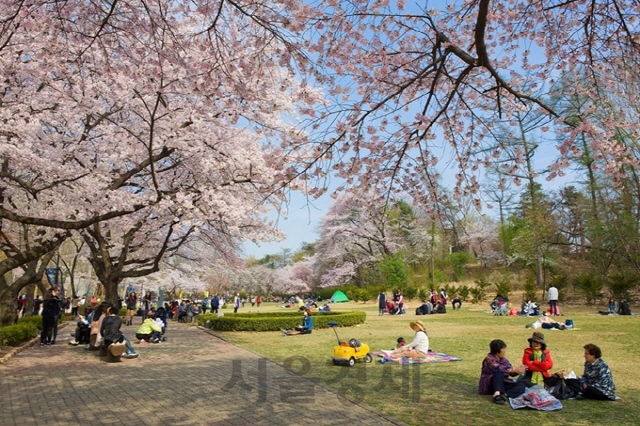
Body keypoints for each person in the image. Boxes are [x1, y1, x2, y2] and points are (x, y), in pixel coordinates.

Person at [478, 339, 528, 404]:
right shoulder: (489, 359)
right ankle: (496, 394)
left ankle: (505, 395)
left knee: (521, 386)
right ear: (497, 350)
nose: (504, 351)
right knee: (499, 373)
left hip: (502, 383)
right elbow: (498, 368)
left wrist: (519, 371)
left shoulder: (504, 360)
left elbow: (511, 373)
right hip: (489, 384)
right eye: (503, 349)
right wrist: (514, 369)